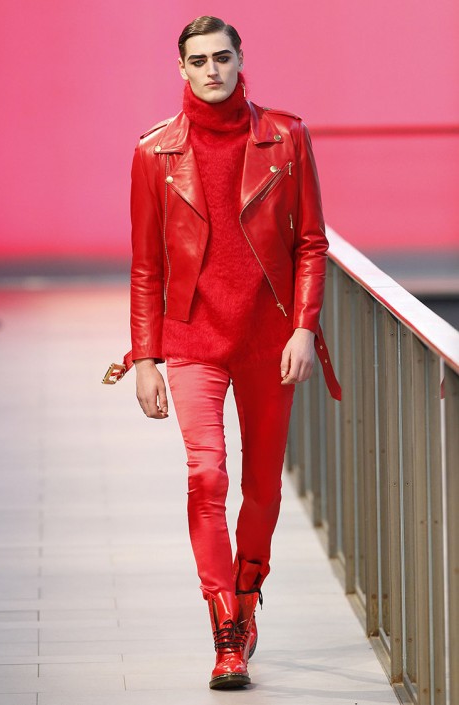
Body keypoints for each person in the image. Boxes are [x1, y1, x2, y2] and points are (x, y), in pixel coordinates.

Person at [103, 15, 341, 690]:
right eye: (199, 60)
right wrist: (145, 357)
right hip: (192, 340)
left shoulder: (286, 137)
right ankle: (225, 629)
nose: (212, 70)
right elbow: (146, 264)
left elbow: (311, 242)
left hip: (269, 339)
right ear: (181, 69)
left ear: (240, 60)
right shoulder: (154, 153)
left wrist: (303, 328)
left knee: (262, 487)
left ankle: (248, 591)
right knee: (206, 476)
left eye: (222, 57)